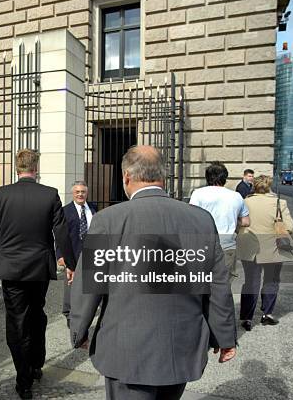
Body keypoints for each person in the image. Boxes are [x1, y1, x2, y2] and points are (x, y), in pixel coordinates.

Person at [70, 146, 236, 400]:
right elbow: (216, 285)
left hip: (126, 350)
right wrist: (224, 337)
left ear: (126, 176)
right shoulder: (201, 219)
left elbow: (88, 284)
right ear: (163, 176)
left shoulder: (108, 219)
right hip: (181, 347)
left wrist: (78, 330)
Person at [0, 149, 74, 400]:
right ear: (36, 168)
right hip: (39, 268)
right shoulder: (49, 194)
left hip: (10, 268)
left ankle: (23, 381)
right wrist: (71, 264)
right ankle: (35, 365)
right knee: (36, 314)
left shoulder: (1, 194)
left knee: (16, 321)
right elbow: (62, 232)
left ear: (16, 168)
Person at [236, 175, 293, 331]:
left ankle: (247, 318)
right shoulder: (279, 203)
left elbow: (238, 223)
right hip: (273, 248)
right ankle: (267, 314)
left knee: (250, 282)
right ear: (269, 187)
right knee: (271, 280)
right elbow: (290, 226)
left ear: (254, 186)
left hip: (249, 247)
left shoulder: (245, 201)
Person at [190, 162, 250, 281]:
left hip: (203, 246)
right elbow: (246, 222)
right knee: (224, 287)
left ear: (207, 177)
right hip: (227, 245)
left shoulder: (198, 194)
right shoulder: (236, 196)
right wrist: (233, 220)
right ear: (225, 178)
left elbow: (192, 219)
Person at [55, 181, 97, 327]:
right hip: (72, 254)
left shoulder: (93, 208)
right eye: (77, 192)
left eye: (83, 192)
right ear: (73, 193)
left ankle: (85, 313)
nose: (80, 194)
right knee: (71, 286)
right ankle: (69, 315)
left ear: (87, 193)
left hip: (91, 253)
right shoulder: (65, 211)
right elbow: (60, 235)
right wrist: (60, 255)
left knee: (89, 285)